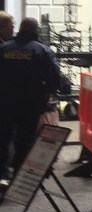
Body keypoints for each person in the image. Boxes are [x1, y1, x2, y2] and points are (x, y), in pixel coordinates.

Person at [0, 17, 61, 188]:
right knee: (24, 138)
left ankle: (2, 174)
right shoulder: (42, 50)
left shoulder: (4, 48)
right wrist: (49, 93)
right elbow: (55, 77)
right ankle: (19, 174)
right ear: (36, 30)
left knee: (3, 137)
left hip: (5, 101)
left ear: (20, 28)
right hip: (30, 103)